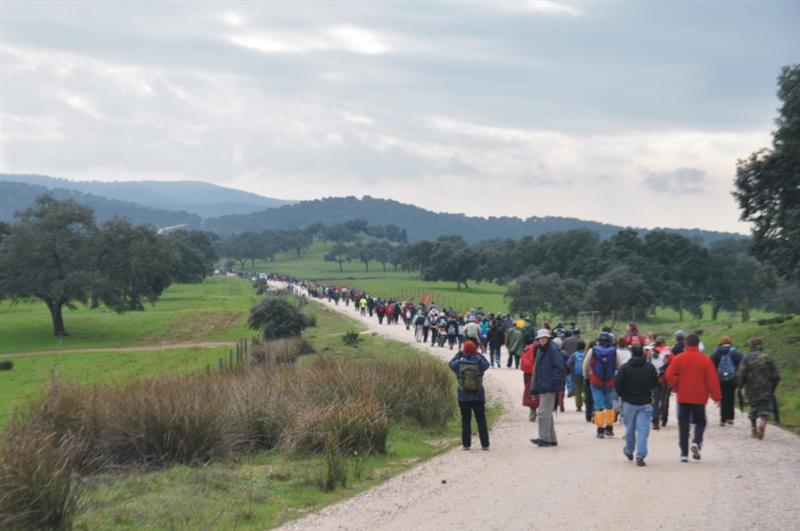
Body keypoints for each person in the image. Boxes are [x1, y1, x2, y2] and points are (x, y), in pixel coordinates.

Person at [665, 333, 721, 462]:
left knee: (683, 425)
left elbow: (669, 375)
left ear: (686, 343)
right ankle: (696, 441)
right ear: (698, 344)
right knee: (701, 421)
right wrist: (716, 396)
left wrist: (676, 386)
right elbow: (712, 380)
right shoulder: (705, 360)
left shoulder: (679, 358)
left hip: (683, 396)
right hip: (699, 397)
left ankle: (684, 454)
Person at [615, 344, 658, 467]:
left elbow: (618, 385)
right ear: (643, 353)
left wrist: (623, 394)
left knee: (630, 429)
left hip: (629, 402)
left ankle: (629, 450)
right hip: (645, 402)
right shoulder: (650, 367)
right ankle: (641, 455)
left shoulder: (624, 368)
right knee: (643, 430)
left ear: (632, 353)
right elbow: (654, 383)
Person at [449, 339, 491, 451]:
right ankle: (485, 444)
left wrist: (459, 353)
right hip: (478, 395)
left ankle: (466, 445)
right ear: (475, 349)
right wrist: (477, 353)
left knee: (466, 420)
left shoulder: (459, 364)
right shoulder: (479, 362)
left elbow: (450, 364)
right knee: (481, 420)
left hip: (463, 396)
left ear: (464, 350)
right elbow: (487, 364)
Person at [737, 337, 781, 440]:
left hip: (751, 389)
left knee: (753, 408)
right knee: (765, 409)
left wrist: (741, 386)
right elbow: (776, 376)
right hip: (766, 388)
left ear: (751, 345)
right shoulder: (767, 357)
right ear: (761, 345)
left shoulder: (746, 358)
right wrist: (773, 387)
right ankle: (762, 423)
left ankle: (753, 428)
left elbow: (740, 374)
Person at [529, 329, 565, 447]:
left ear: (548, 338)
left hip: (548, 386)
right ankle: (551, 439)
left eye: (544, 338)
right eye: (540, 338)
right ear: (538, 340)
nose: (542, 340)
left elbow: (560, 368)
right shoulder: (542, 350)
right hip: (544, 385)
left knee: (543, 413)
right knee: (547, 413)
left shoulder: (552, 350)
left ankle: (544, 438)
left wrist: (552, 383)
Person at [583, 332, 622, 438]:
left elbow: (585, 365)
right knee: (609, 405)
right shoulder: (614, 351)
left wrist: (586, 375)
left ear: (598, 340)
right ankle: (609, 428)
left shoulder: (593, 350)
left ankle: (600, 430)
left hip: (595, 381)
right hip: (609, 381)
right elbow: (620, 366)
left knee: (598, 406)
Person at [710, 336, 744, 426]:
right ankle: (730, 418)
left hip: (720, 379)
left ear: (720, 343)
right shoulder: (735, 352)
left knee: (723, 398)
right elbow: (742, 364)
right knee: (731, 397)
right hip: (732, 379)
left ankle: (722, 419)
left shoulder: (716, 352)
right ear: (730, 342)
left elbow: (711, 364)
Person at [647, 336, 673, 430]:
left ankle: (655, 421)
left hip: (654, 379)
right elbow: (672, 363)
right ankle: (664, 419)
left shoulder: (651, 351)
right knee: (665, 399)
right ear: (664, 342)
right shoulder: (668, 351)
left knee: (655, 400)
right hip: (665, 379)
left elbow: (648, 365)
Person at [520, 342, 539, 422]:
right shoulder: (543, 348)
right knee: (543, 393)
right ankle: (543, 412)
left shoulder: (528, 348)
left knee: (530, 391)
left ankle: (533, 411)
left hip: (529, 372)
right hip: (540, 372)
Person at [566, 340, 587, 412]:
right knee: (585, 390)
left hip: (576, 375)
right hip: (585, 374)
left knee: (577, 390)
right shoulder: (586, 354)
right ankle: (585, 400)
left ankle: (579, 406)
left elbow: (568, 363)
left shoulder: (574, 354)